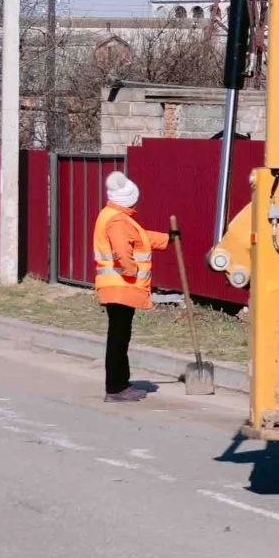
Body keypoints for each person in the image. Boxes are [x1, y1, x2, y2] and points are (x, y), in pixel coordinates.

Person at [92, 171, 168, 403]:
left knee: (119, 335)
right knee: (118, 337)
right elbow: (122, 250)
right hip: (121, 286)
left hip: (117, 287)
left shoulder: (115, 216)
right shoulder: (116, 220)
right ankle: (115, 388)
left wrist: (167, 239)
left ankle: (119, 384)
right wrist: (130, 270)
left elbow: (140, 237)